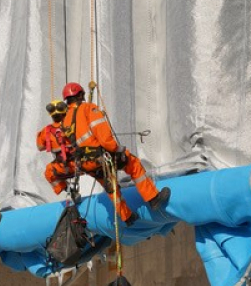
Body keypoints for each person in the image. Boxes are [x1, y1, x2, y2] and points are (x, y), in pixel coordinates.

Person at [60, 82, 170, 226]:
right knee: (133, 164)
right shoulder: (88, 109)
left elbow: (68, 148)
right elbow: (105, 139)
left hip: (85, 163)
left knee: (110, 186)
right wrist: (118, 149)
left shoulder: (64, 122)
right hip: (100, 157)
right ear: (80, 95)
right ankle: (153, 198)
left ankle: (127, 216)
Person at [36, 100, 77, 196]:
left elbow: (40, 147)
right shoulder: (73, 125)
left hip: (62, 167)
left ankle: (68, 190)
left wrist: (50, 141)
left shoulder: (46, 131)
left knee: (48, 173)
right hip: (81, 164)